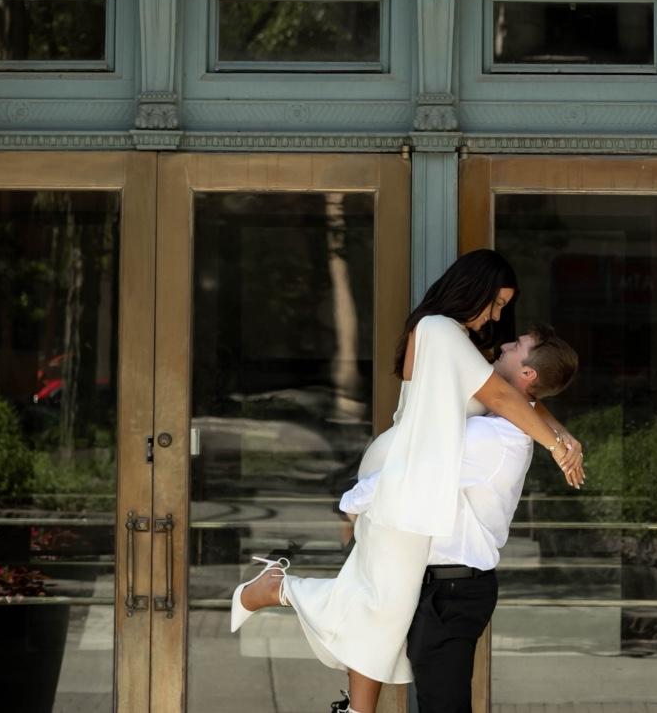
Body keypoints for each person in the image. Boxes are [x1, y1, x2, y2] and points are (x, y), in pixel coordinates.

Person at [228, 249, 585, 713]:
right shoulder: (439, 329)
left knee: (384, 602)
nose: (498, 319)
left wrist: (562, 435)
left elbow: (522, 397)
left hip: (412, 471)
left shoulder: (459, 343)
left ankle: (353, 703)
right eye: (496, 303)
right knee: (383, 602)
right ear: (474, 289)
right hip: (403, 469)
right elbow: (503, 394)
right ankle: (278, 592)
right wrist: (556, 445)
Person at [340, 323, 580, 713]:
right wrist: (558, 433)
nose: (505, 345)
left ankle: (277, 589)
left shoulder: (490, 438)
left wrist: (351, 502)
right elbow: (528, 404)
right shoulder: (501, 424)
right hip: (445, 587)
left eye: (517, 346)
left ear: (528, 373)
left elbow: (410, 475)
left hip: (450, 592)